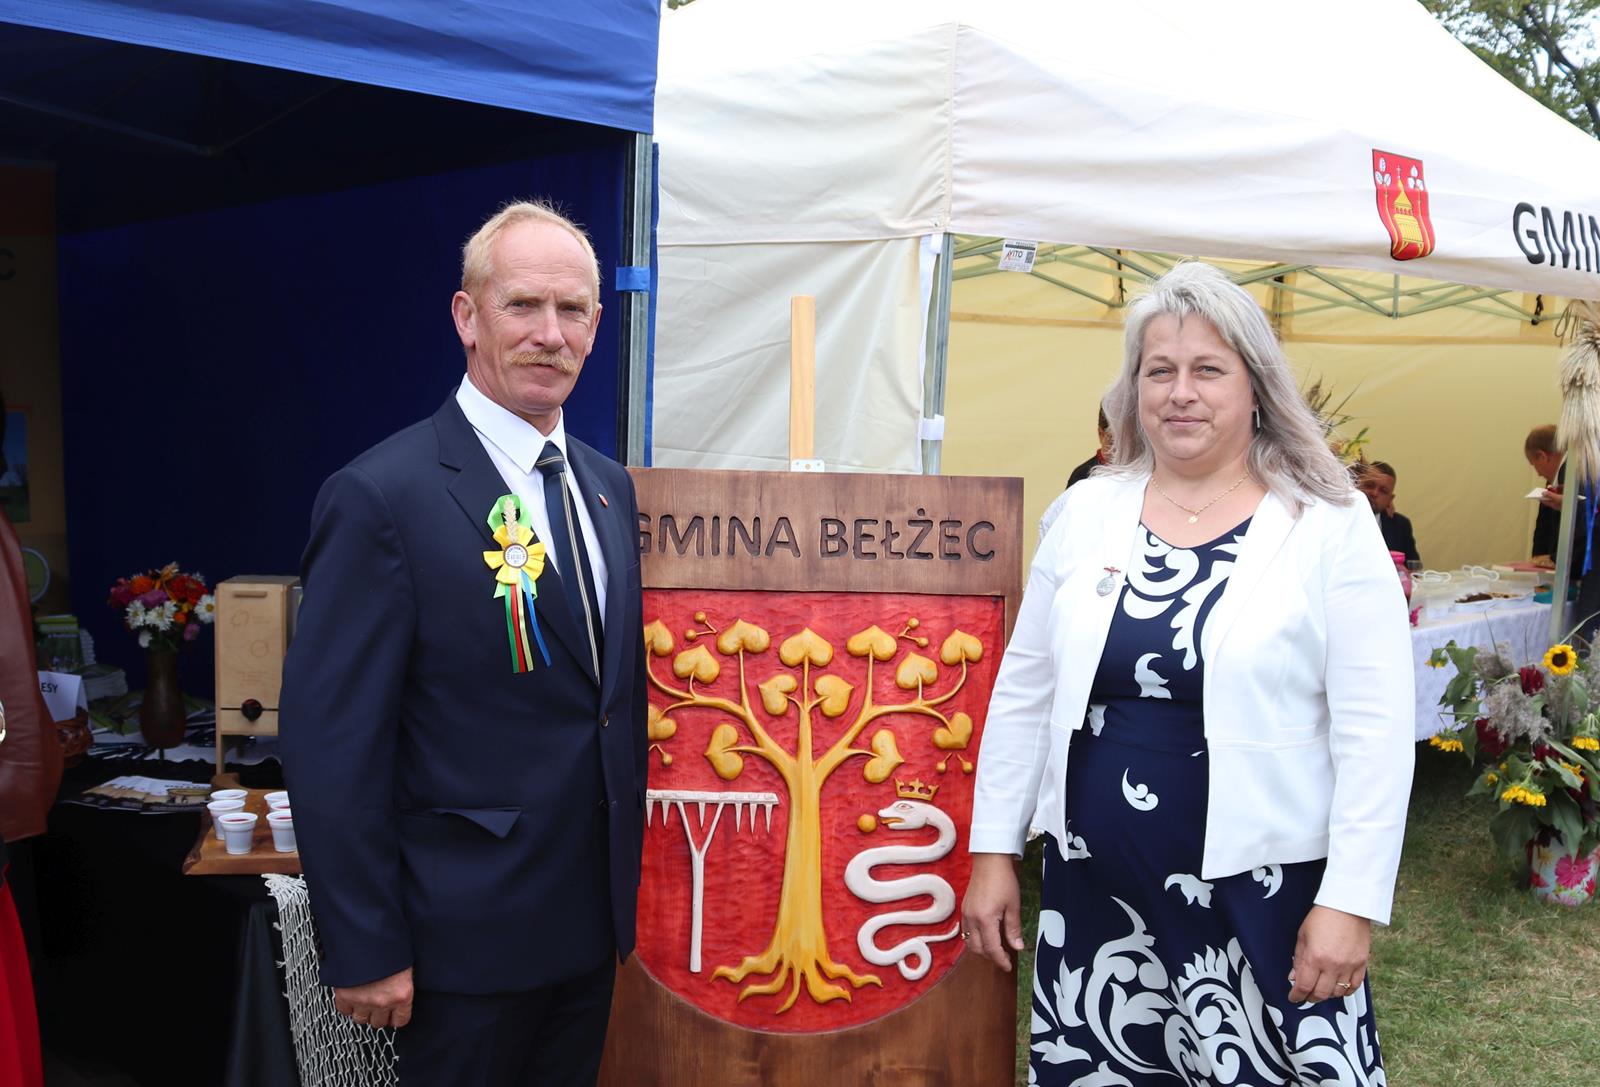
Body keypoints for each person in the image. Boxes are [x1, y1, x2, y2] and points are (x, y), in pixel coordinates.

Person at [963, 262, 1412, 1085]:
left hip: (1262, 894)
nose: (1180, 393)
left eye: (1208, 369)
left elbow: (1376, 728)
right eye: (1159, 371)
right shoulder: (1086, 512)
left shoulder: (1328, 523)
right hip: (1096, 896)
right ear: (1131, 389)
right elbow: (1025, 691)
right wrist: (994, 847)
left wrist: (1350, 899)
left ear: (1255, 387)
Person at [281, 201, 648, 1087]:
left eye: (572, 310)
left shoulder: (607, 488)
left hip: (585, 935)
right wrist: (365, 942)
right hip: (457, 951)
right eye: (523, 305)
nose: (550, 333)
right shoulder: (383, 496)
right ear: (467, 317)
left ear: (597, 326)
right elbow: (332, 743)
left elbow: (600, 706)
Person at [1356, 460, 1419, 564]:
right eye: (1369, 485)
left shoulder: (1400, 525)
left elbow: (1414, 567)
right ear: (1357, 484)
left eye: (1383, 491)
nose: (1374, 493)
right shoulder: (1338, 518)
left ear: (1390, 499)